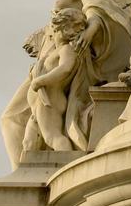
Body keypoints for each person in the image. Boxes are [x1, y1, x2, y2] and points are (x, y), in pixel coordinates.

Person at [23, 8, 92, 153]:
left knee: (52, 137)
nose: (51, 36)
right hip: (40, 104)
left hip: (50, 101)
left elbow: (65, 68)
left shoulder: (66, 49)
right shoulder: (55, 51)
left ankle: (67, 165)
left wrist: (40, 81)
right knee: (28, 143)